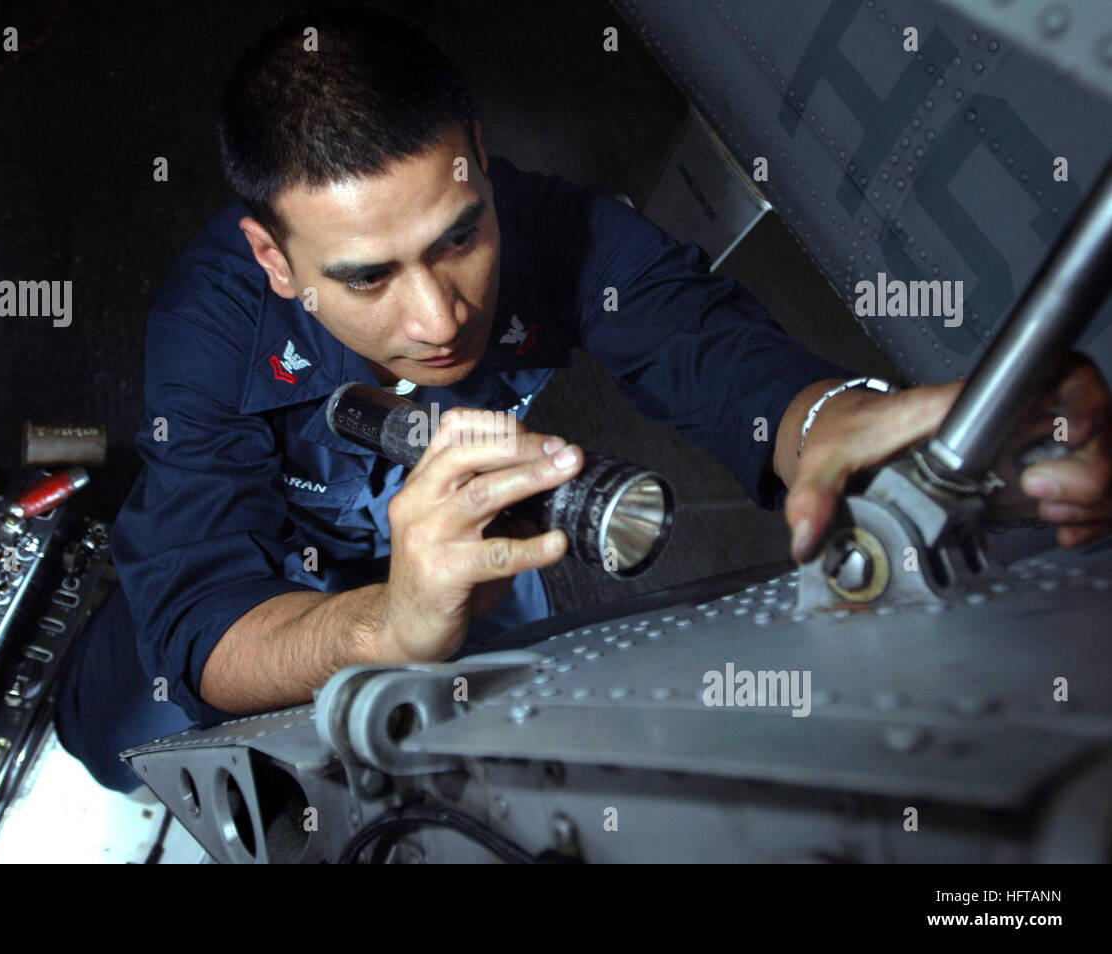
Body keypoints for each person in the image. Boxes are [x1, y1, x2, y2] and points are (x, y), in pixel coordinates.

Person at [54, 5, 1112, 792]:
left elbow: (710, 348)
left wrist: (854, 425)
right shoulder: (211, 324)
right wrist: (384, 619)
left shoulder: (562, 227)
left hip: (469, 540)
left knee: (476, 761)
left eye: (459, 237)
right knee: (122, 741)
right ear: (276, 262)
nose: (437, 319)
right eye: (367, 277)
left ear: (477, 163)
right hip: (273, 564)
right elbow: (205, 624)